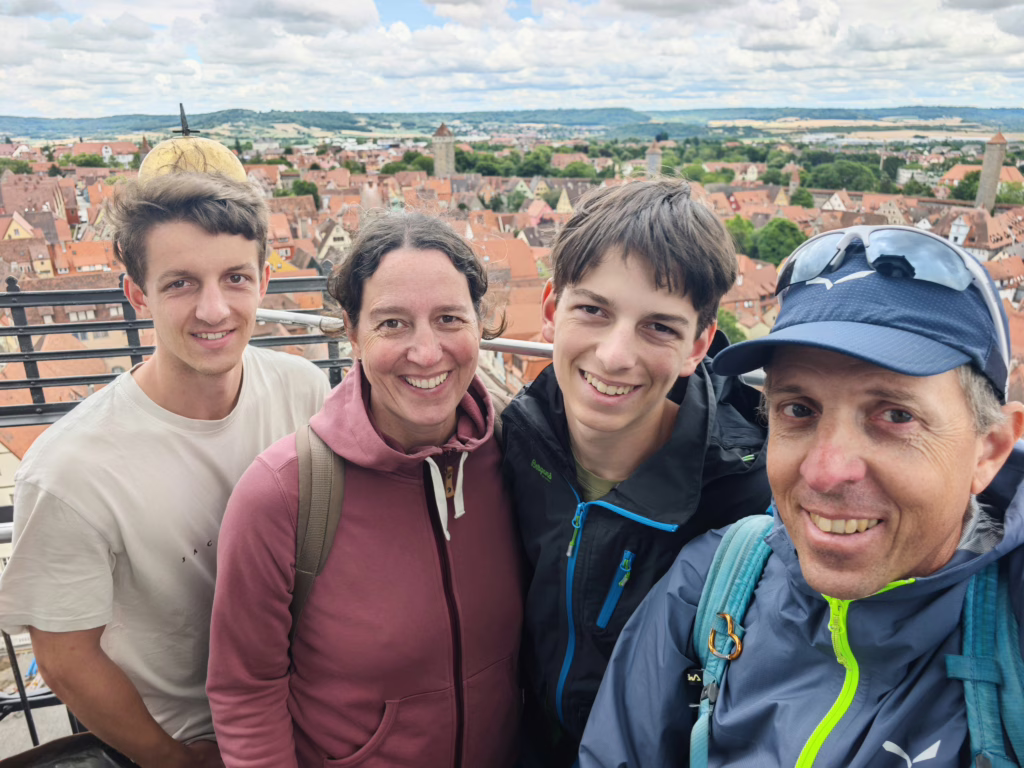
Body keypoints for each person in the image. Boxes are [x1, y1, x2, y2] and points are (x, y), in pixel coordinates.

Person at [580, 225, 1024, 767]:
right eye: (799, 410)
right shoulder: (709, 587)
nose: (825, 471)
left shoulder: (1012, 633)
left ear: (990, 449)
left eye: (896, 415)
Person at [0, 171, 329, 768]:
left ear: (264, 282)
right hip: (189, 741)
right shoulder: (70, 469)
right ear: (138, 295)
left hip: (308, 716)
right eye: (180, 283)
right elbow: (65, 658)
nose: (213, 309)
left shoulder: (303, 388)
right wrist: (174, 760)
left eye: (235, 278)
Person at [207, 213, 524, 768]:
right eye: (393, 324)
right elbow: (245, 691)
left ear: (481, 323)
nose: (426, 353)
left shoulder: (521, 456)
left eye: (449, 318)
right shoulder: (284, 495)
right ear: (352, 332)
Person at [500, 179, 771, 765]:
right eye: (593, 310)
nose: (615, 355)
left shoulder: (751, 500)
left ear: (698, 346)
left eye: (658, 327)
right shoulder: (513, 446)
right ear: (552, 310)